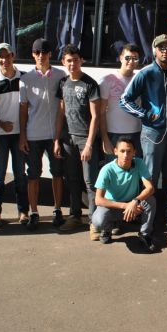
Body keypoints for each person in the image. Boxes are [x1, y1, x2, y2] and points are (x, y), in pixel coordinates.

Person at [120, 34, 167, 215]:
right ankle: (147, 224)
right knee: (150, 178)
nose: (166, 51)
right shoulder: (146, 73)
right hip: (153, 134)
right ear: (155, 50)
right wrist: (146, 115)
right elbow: (125, 100)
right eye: (162, 48)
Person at [19, 38, 66, 230]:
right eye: (37, 52)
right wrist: (22, 136)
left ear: (50, 54)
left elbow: (62, 107)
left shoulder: (61, 76)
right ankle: (34, 212)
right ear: (32, 55)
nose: (41, 56)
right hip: (33, 135)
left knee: (57, 174)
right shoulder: (25, 80)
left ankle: (57, 209)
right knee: (33, 175)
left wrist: (57, 137)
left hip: (54, 135)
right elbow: (23, 110)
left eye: (44, 52)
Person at [53, 45, 100, 234]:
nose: (72, 64)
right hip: (67, 140)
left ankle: (94, 222)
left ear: (81, 60)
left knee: (90, 183)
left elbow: (96, 117)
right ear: (64, 62)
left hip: (85, 141)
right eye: (68, 60)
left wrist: (89, 144)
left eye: (75, 60)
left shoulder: (90, 84)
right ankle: (74, 216)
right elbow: (61, 113)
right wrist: (57, 139)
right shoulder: (63, 83)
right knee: (72, 179)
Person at [0, 43, 28, 227]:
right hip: (0, 136)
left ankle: (23, 212)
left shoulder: (25, 78)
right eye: (0, 56)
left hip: (20, 135)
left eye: (8, 55)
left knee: (20, 175)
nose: (5, 60)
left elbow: (28, 107)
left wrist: (23, 135)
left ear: (13, 55)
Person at [93, 137, 157, 253]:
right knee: (98, 221)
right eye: (122, 151)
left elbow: (150, 188)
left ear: (134, 152)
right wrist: (125, 206)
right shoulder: (107, 170)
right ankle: (107, 230)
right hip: (113, 206)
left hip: (133, 203)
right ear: (115, 151)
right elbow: (98, 200)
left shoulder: (139, 163)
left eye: (129, 151)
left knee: (150, 200)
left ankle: (144, 233)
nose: (126, 155)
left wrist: (135, 201)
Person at [99, 43, 143, 158]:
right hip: (113, 135)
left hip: (136, 133)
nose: (131, 61)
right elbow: (101, 112)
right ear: (120, 58)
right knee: (114, 173)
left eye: (135, 58)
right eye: (128, 58)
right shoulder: (106, 80)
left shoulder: (140, 79)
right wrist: (105, 138)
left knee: (134, 172)